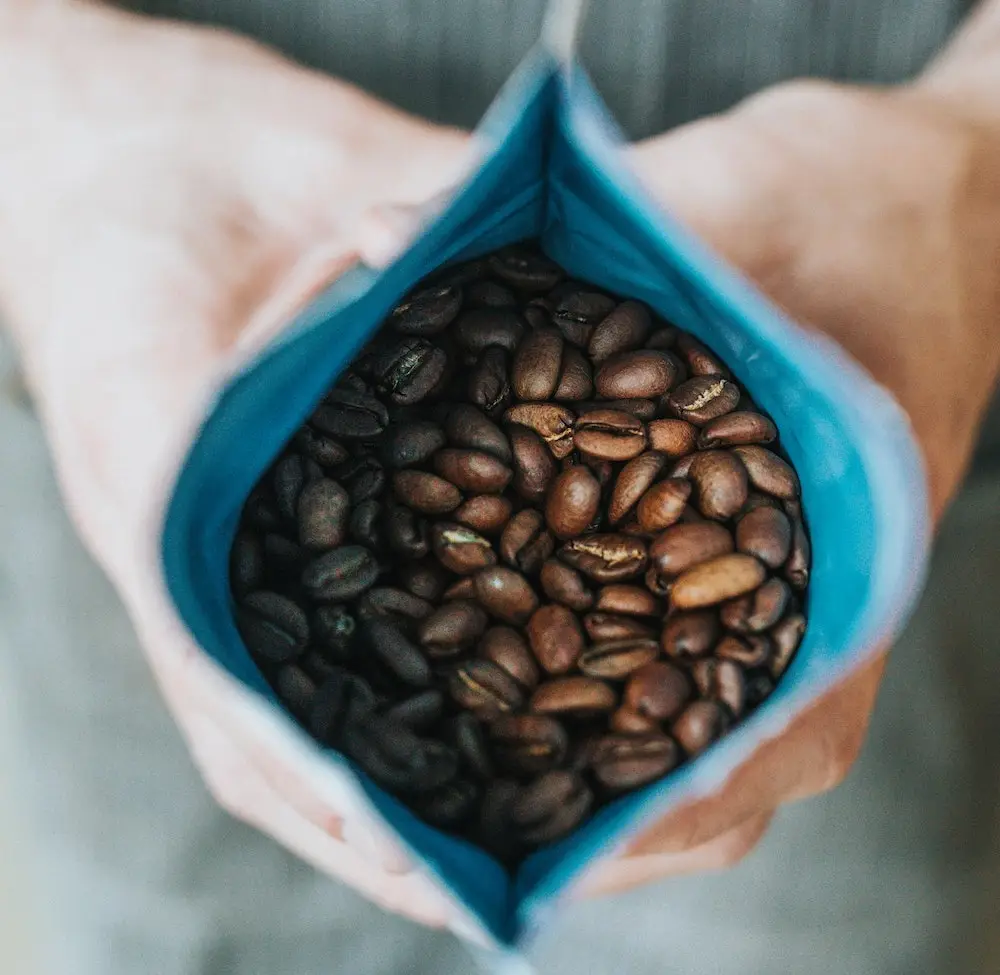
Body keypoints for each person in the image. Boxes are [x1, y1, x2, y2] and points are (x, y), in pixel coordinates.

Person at [0, 0, 998, 972]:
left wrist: (972, 154)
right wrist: (45, 98)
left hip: (886, 331)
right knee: (183, 929)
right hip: (160, 325)